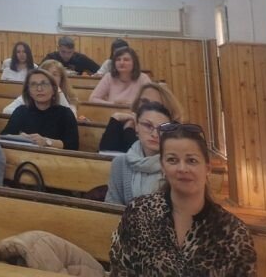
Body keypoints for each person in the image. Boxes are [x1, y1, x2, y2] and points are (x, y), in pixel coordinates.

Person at [109, 123, 256, 276]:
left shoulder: (233, 232)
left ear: (207, 168)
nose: (182, 169)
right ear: (163, 167)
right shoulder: (138, 213)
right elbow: (120, 270)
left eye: (192, 160)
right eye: (172, 160)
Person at [105, 102, 171, 205]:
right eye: (148, 125)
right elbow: (112, 205)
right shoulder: (120, 163)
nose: (155, 134)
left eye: (162, 129)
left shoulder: (173, 164)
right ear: (136, 126)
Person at [0, 68, 79, 150]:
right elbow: (3, 137)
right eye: (33, 84)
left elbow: (73, 146)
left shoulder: (65, 113)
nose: (39, 89)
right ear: (28, 92)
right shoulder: (21, 111)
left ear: (54, 89)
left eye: (44, 84)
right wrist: (19, 137)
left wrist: (46, 142)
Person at [99, 82, 184, 153]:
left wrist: (129, 130)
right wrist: (115, 120)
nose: (148, 106)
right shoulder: (124, 122)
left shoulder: (172, 132)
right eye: (144, 102)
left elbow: (142, 156)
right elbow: (105, 155)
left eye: (155, 104)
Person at [3, 57, 77, 116]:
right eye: (46, 73)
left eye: (54, 74)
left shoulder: (69, 97)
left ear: (61, 79)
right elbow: (7, 110)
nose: (49, 77)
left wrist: (59, 93)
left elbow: (71, 118)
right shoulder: (33, 93)